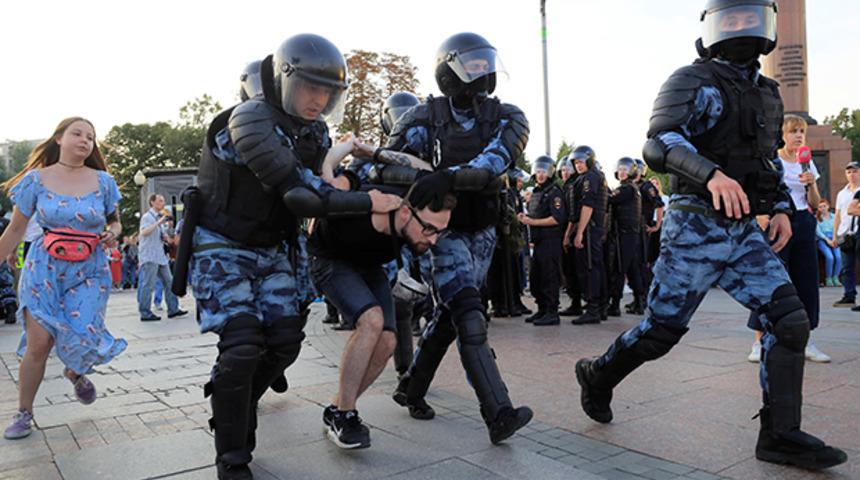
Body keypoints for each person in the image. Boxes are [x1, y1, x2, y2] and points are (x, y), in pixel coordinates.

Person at [574, 0, 847, 469]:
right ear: (714, 27)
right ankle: (599, 376)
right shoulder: (691, 79)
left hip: (744, 232)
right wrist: (712, 175)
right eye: (732, 18)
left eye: (750, 17)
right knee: (661, 332)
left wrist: (780, 207)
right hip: (694, 224)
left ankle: (779, 435)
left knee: (789, 321)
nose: (742, 26)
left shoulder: (768, 93)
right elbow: (660, 140)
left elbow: (764, 162)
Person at [179, 34, 408, 480]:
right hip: (223, 247)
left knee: (284, 341)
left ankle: (232, 401)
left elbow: (330, 176)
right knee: (242, 346)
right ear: (285, 81)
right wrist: (370, 202)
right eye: (310, 88)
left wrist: (361, 156)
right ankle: (233, 455)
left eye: (327, 91)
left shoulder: (314, 130)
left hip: (272, 250)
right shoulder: (247, 120)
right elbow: (303, 193)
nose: (318, 99)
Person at [385, 32, 533, 443]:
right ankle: (498, 412)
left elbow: (493, 164)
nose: (481, 73)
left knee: (449, 316)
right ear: (448, 69)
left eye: (485, 64)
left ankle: (410, 387)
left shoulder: (509, 116)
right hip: (442, 230)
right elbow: (386, 164)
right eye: (471, 64)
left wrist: (444, 175)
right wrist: (423, 182)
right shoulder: (420, 117)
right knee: (469, 311)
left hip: (482, 229)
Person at [0, 117, 127, 440]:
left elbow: (115, 223)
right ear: (59, 138)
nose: (85, 140)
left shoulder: (103, 182)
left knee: (83, 335)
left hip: (89, 271)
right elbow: (15, 229)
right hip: (44, 268)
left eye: (91, 137)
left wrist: (112, 234)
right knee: (39, 343)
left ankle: (74, 372)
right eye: (78, 133)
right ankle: (24, 413)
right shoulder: (35, 180)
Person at [312, 192, 455, 449]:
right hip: (330, 261)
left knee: (388, 341)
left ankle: (337, 408)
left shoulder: (409, 219)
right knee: (371, 321)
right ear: (404, 213)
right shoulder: (365, 206)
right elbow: (324, 189)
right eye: (430, 229)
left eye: (439, 232)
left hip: (370, 268)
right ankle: (345, 415)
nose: (433, 240)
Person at [747, 114, 828, 363]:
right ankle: (759, 341)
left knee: (807, 283)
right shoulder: (772, 162)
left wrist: (812, 184)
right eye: (793, 131)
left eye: (801, 131)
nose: (798, 136)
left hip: (804, 222)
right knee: (770, 281)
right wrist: (761, 215)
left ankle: (805, 340)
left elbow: (815, 204)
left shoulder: (807, 164)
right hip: (776, 223)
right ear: (782, 135)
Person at [519, 155, 566, 325]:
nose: (540, 174)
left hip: (550, 241)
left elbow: (557, 218)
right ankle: (542, 309)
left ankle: (552, 312)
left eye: (544, 171)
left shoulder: (554, 192)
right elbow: (536, 213)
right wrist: (526, 217)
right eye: (538, 171)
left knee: (549, 277)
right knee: (537, 278)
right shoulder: (537, 192)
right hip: (538, 242)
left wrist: (532, 222)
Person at [566, 146, 609, 325]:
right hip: (593, 228)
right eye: (575, 162)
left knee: (591, 268)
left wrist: (580, 233)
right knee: (594, 267)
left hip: (590, 229)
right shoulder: (591, 177)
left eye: (581, 161)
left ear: (589, 161)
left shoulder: (590, 178)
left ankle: (593, 309)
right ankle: (600, 308)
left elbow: (587, 206)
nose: (578, 165)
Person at [606, 157, 645, 317]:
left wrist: (602, 188)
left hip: (625, 233)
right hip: (630, 234)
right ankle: (639, 301)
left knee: (619, 268)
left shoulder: (626, 189)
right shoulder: (631, 188)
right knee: (631, 268)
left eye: (625, 169)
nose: (622, 172)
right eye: (620, 169)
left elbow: (609, 198)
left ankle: (615, 305)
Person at [137, 195, 186, 321]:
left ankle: (173, 309)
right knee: (148, 284)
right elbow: (144, 232)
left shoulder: (159, 218)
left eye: (163, 201)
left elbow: (162, 237)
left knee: (169, 282)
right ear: (152, 202)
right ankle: (145, 312)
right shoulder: (148, 217)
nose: (163, 203)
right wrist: (158, 223)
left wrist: (166, 238)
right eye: (160, 201)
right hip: (149, 255)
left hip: (160, 255)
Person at [833, 162, 860, 308]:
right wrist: (835, 235)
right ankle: (849, 295)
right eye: (849, 172)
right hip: (845, 233)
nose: (852, 175)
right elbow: (838, 215)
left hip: (859, 231)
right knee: (846, 267)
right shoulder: (842, 193)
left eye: (855, 171)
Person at [558, 155, 582, 317]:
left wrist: (568, 235)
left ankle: (576, 303)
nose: (565, 172)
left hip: (572, 232)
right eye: (563, 170)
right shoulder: (566, 186)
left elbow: (573, 214)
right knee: (569, 270)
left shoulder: (573, 186)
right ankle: (576, 302)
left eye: (568, 169)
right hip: (568, 230)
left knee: (573, 269)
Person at [816, 199, 841, 287]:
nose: (823, 208)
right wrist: (827, 240)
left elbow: (837, 227)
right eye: (820, 207)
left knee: (838, 257)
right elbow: (818, 232)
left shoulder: (834, 217)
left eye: (824, 206)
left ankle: (836, 277)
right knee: (829, 257)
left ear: (828, 206)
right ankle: (828, 278)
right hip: (823, 239)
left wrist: (835, 238)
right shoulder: (817, 218)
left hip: (834, 238)